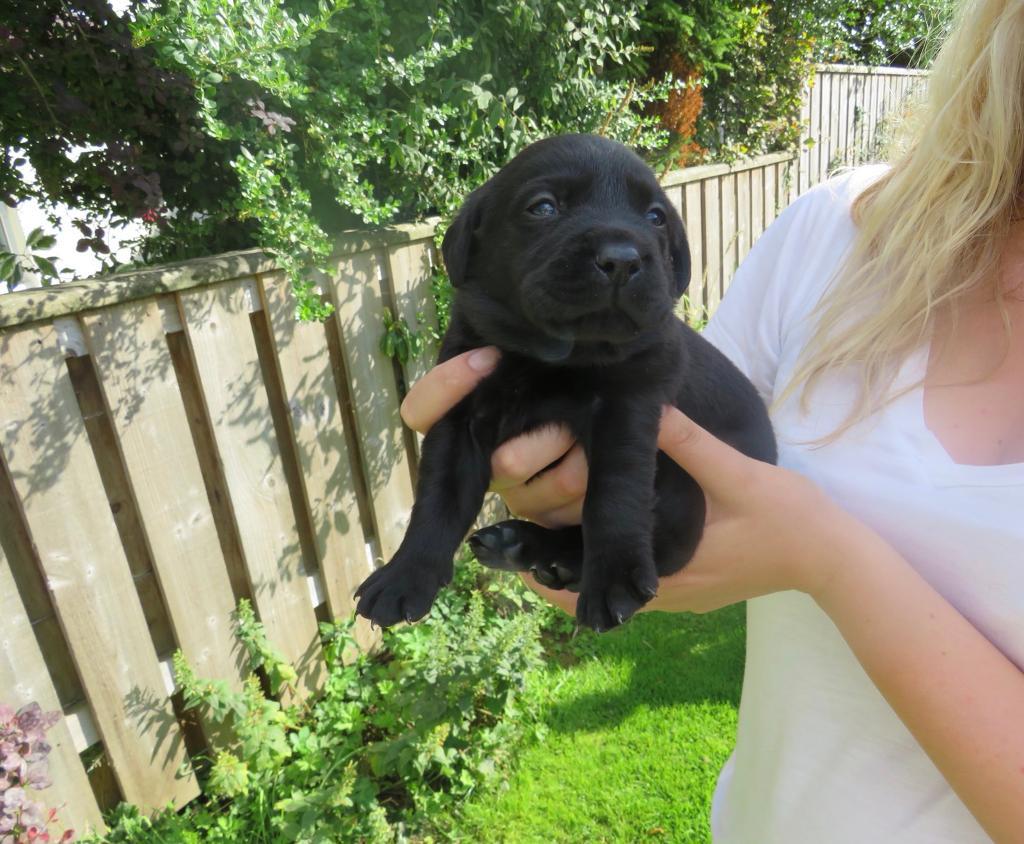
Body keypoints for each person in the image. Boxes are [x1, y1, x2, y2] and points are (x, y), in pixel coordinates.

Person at [398, 0, 1024, 839]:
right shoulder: (835, 232)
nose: (619, 248)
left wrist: (825, 558)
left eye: (652, 221)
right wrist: (557, 500)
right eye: (545, 207)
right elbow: (685, 450)